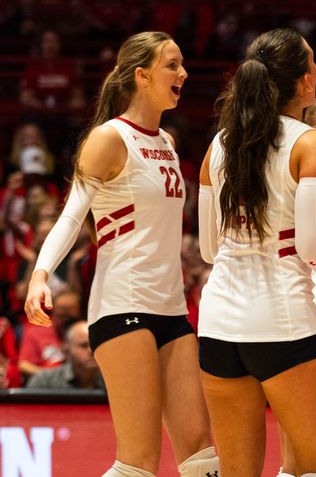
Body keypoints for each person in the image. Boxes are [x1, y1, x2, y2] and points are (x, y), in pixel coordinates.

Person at [196, 28, 316, 477]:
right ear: (306, 82)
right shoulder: (311, 143)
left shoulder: (218, 146)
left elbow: (209, 249)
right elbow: (311, 246)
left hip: (218, 325)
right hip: (283, 323)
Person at [24, 31, 219, 477]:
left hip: (171, 309)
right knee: (139, 462)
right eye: (173, 65)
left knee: (201, 455)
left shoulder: (168, 144)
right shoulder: (108, 138)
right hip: (122, 306)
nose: (184, 73)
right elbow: (73, 217)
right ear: (141, 74)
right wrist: (40, 274)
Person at [27, 319, 106, 389]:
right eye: (83, 346)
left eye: (95, 345)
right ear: (67, 351)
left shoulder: (112, 381)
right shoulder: (44, 380)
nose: (91, 351)